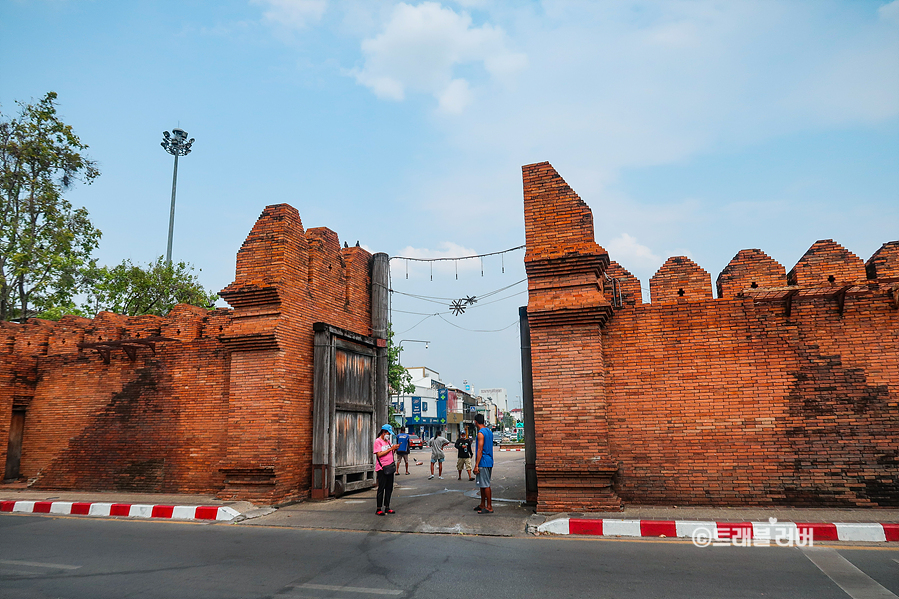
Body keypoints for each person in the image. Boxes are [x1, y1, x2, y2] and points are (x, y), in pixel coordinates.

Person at [373, 424, 399, 515]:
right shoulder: (378, 441)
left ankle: (387, 506)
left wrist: (394, 448)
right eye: (388, 433)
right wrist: (391, 449)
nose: (389, 435)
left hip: (390, 467)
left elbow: (390, 451)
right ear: (384, 432)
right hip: (382, 468)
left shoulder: (387, 441)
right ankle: (378, 508)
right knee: (382, 488)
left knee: (389, 488)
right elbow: (379, 454)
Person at [473, 414, 494, 514]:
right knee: (482, 484)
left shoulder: (481, 434)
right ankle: (482, 504)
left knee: (485, 485)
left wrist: (476, 465)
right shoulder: (489, 432)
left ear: (476, 422)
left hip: (483, 461)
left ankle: (489, 507)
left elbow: (480, 450)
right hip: (489, 460)